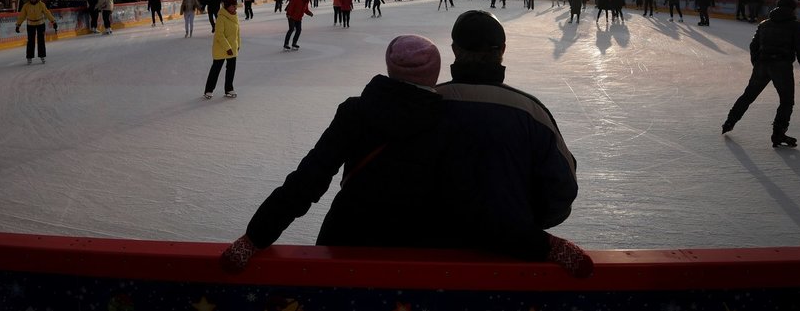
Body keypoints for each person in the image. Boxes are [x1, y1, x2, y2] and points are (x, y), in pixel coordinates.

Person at [220, 32, 592, 278]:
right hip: (422, 255)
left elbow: (308, 180)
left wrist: (255, 237)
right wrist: (545, 245)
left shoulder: (356, 111)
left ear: (388, 67)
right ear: (434, 74)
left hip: (348, 244)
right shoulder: (450, 120)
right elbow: (474, 204)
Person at [434, 10, 590, 273]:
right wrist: (524, 224)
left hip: (428, 250)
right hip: (513, 249)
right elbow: (562, 186)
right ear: (502, 50)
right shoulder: (529, 112)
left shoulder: (425, 104)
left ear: (454, 49)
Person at [722, 0, 800, 147]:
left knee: (748, 95)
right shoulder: (796, 27)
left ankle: (729, 121)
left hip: (762, 64)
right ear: (792, 9)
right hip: (782, 67)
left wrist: (756, 62)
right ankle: (778, 134)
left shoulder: (764, 24)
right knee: (786, 101)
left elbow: (753, 45)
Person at [203, 0, 240, 99]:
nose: (235, 8)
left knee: (231, 70)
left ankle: (229, 89)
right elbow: (219, 34)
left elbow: (238, 32)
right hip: (221, 48)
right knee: (216, 69)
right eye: (233, 6)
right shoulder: (221, 17)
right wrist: (227, 48)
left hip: (232, 48)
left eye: (235, 6)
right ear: (227, 7)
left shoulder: (235, 16)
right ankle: (209, 90)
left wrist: (238, 45)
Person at [15, 0, 57, 64]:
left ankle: (42, 56)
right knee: (30, 41)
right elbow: (22, 16)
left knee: (41, 40)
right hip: (30, 24)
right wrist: (18, 25)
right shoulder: (26, 6)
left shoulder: (41, 4)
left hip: (40, 24)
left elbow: (47, 13)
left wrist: (53, 21)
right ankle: (29, 56)